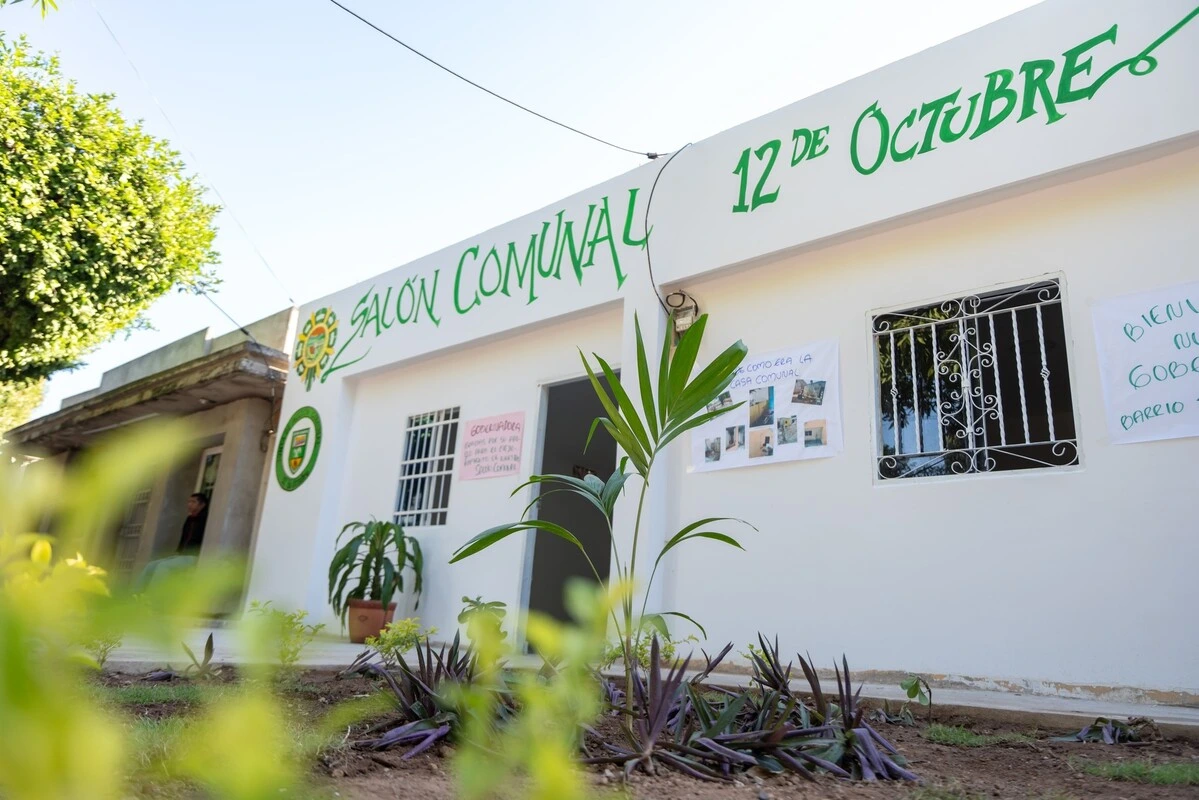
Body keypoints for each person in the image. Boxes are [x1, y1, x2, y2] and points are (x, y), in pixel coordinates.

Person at [132, 491, 208, 593]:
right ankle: (135, 594)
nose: (189, 504)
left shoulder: (206, 519)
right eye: (189, 501)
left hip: (195, 556)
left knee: (163, 567)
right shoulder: (190, 519)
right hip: (182, 555)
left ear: (202, 505)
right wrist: (179, 552)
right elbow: (184, 538)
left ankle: (152, 596)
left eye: (193, 502)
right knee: (151, 565)